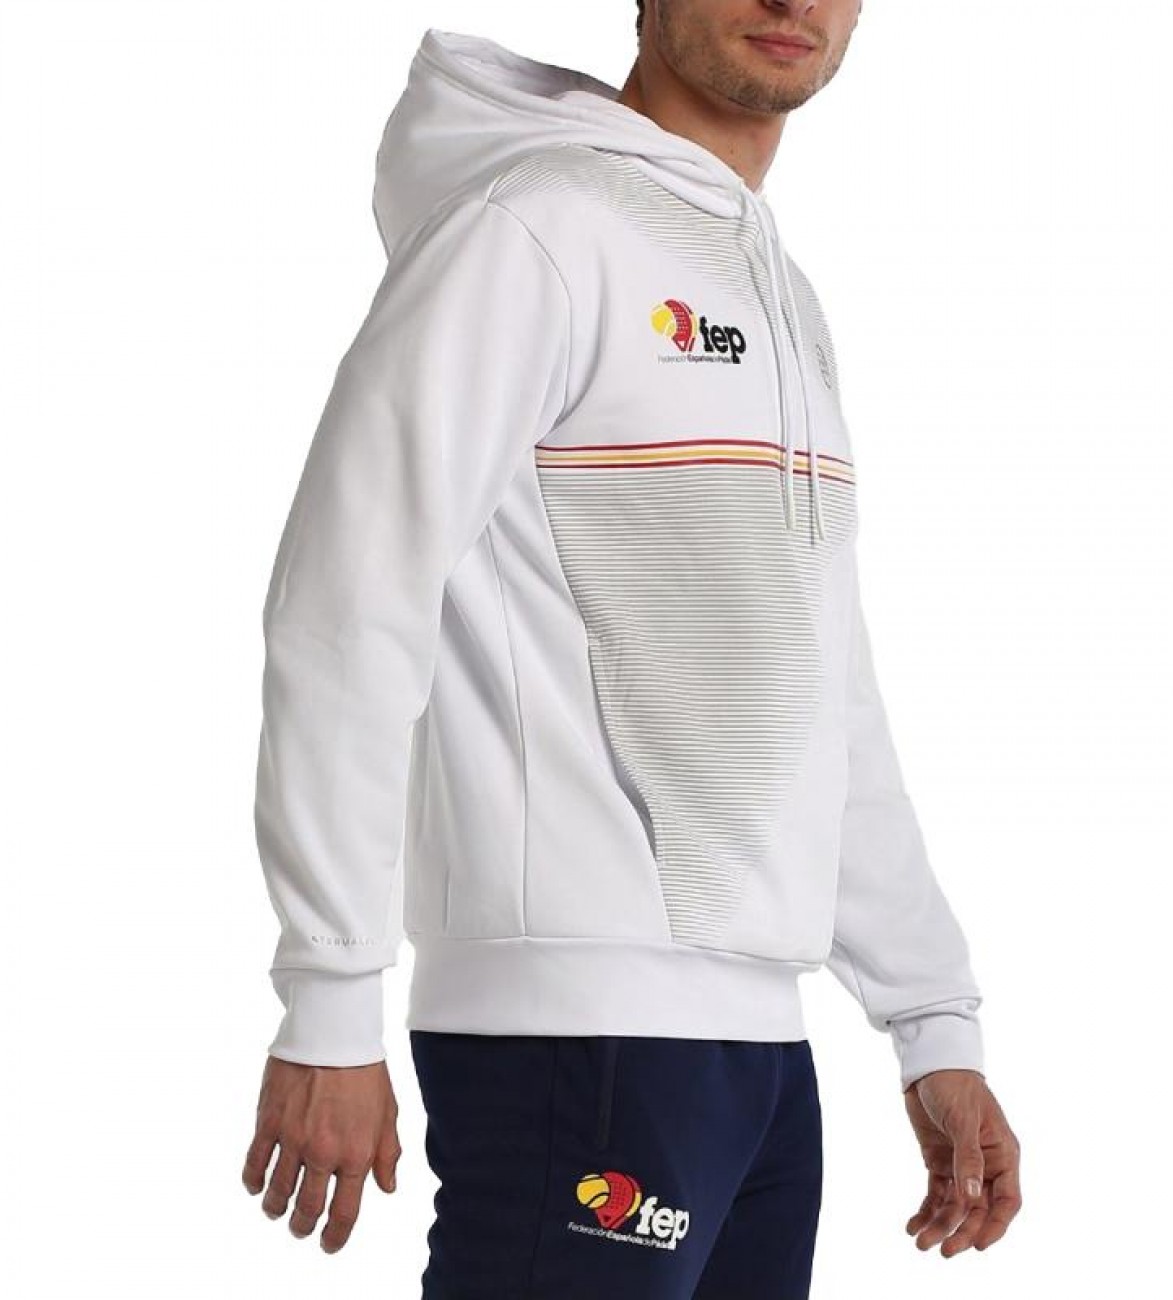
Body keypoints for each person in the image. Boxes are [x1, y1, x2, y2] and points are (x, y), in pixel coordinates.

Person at [241, 2, 1022, 1294]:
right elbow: (347, 599)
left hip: (762, 1060)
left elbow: (824, 684)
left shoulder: (775, 288)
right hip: (574, 1038)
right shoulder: (531, 231)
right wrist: (331, 992)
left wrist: (930, 1015)